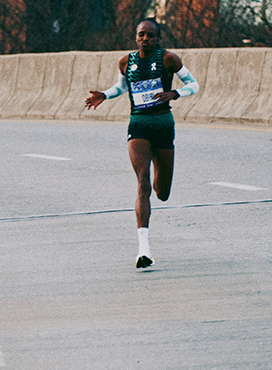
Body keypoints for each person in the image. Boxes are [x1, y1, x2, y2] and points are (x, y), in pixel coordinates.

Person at [85, 19, 199, 268]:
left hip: (163, 124)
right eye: (140, 35)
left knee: (162, 192)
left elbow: (194, 85)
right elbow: (122, 86)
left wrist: (174, 93)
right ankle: (143, 250)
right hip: (138, 124)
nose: (145, 39)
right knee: (142, 183)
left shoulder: (169, 59)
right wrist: (104, 94)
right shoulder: (127, 61)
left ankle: (161, 179)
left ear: (158, 38)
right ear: (135, 37)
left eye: (150, 35)